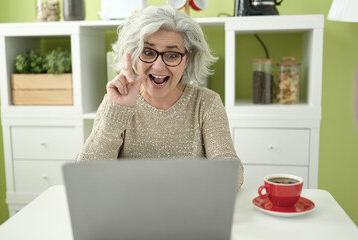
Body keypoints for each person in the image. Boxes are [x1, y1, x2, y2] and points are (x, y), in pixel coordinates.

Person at [76, 5, 243, 189]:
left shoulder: (206, 103)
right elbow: (85, 175)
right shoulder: (115, 102)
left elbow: (232, 173)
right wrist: (117, 111)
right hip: (128, 209)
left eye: (172, 55)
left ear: (187, 58)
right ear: (132, 55)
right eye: (148, 52)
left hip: (188, 209)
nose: (158, 66)